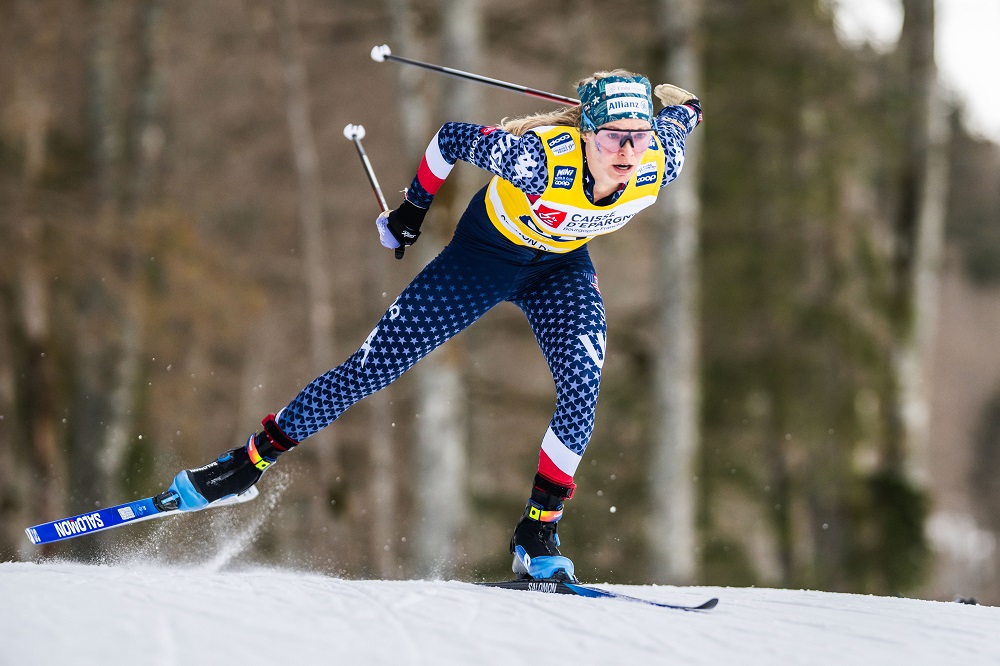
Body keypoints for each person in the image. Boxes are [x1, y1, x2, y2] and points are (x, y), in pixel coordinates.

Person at [164, 70, 702, 582]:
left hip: (559, 269)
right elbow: (449, 139)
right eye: (612, 139)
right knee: (371, 369)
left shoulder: (660, 159)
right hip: (482, 259)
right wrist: (410, 214)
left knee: (583, 388)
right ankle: (247, 463)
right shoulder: (536, 161)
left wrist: (685, 107)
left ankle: (537, 534)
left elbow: (684, 118)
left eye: (637, 137)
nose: (627, 153)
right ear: (586, 135)